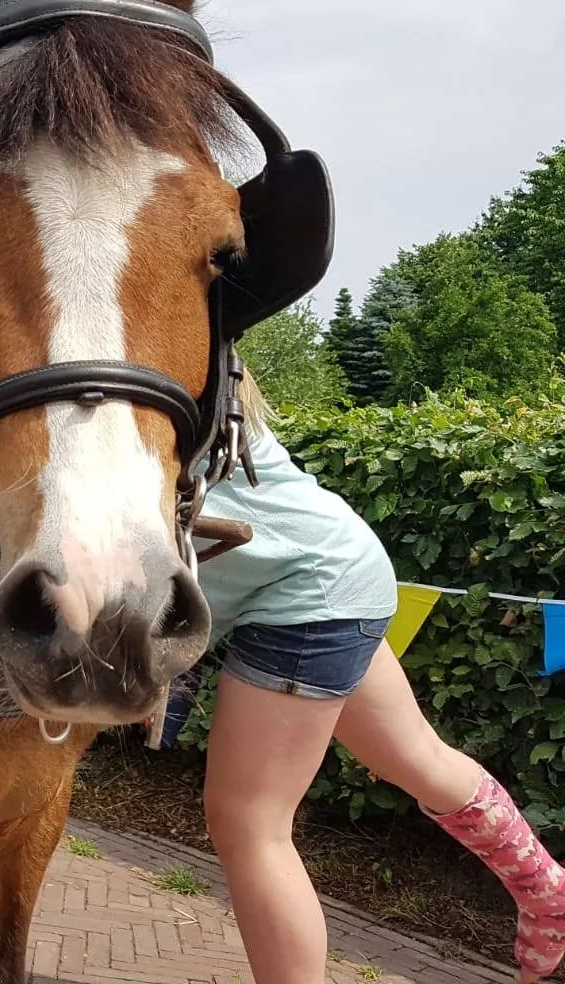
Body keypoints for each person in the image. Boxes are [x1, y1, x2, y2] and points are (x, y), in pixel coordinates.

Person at [191, 372, 565, 984]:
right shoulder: (188, 363)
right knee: (420, 757)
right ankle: (549, 893)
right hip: (339, 571)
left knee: (248, 822)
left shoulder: (141, 373)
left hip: (305, 592)